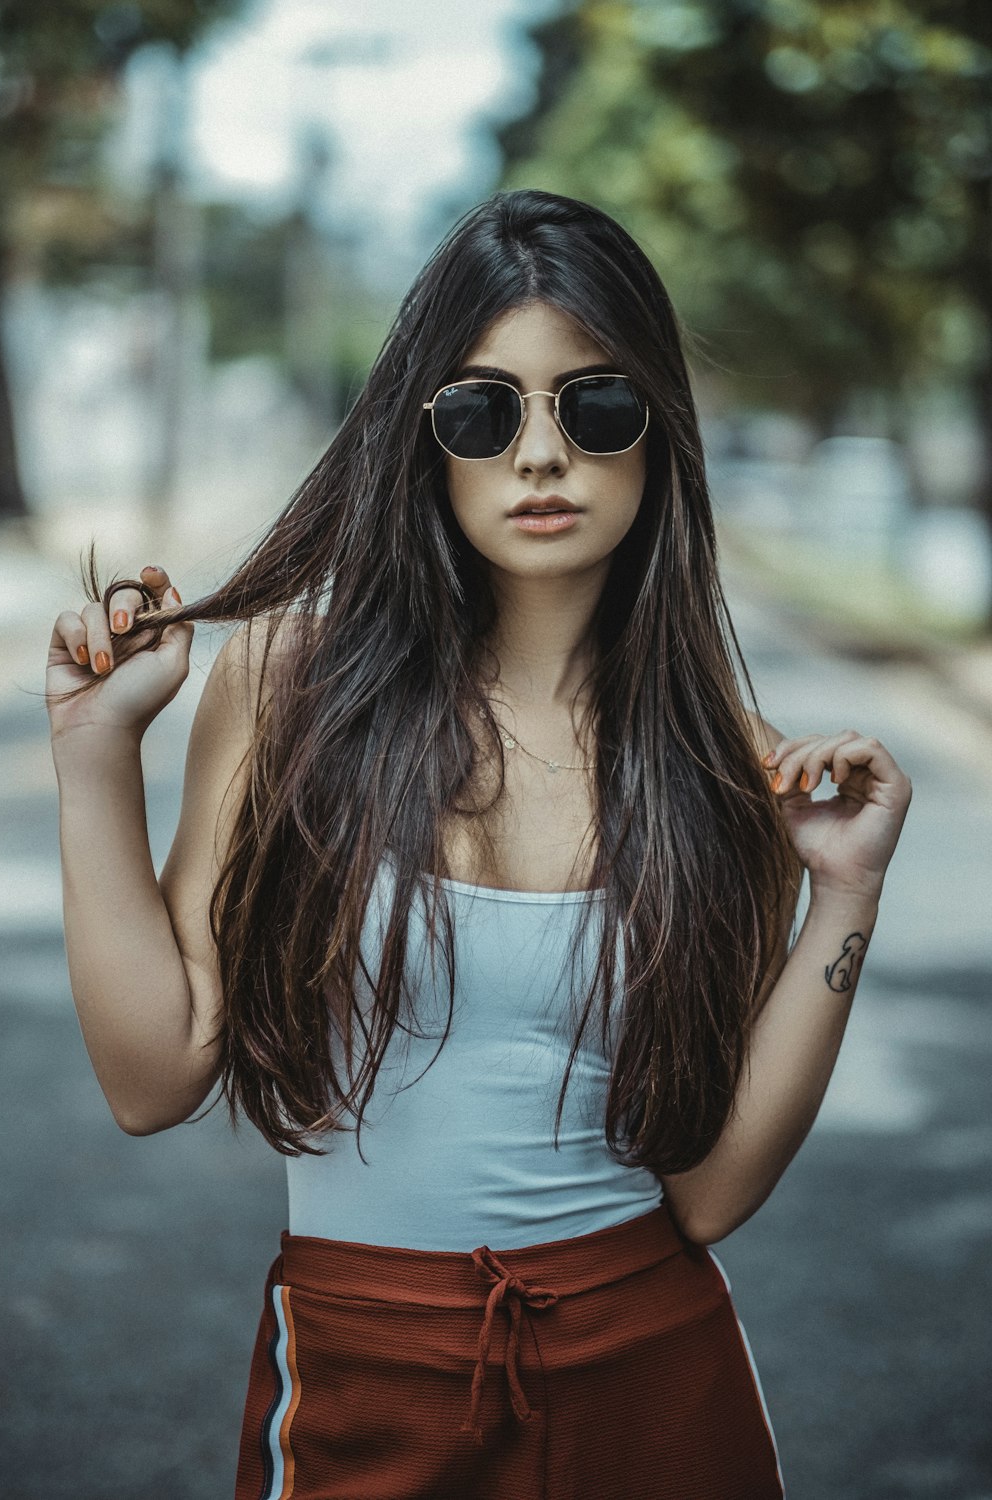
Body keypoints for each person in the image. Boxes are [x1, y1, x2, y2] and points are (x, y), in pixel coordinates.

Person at [45, 188, 912, 1500]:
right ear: (426, 437)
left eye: (596, 403)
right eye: (485, 409)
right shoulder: (293, 686)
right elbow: (152, 1076)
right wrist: (94, 755)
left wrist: (844, 892)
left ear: (658, 433)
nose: (543, 454)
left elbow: (711, 1194)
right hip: (362, 1370)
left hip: (657, 1376)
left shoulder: (724, 753)